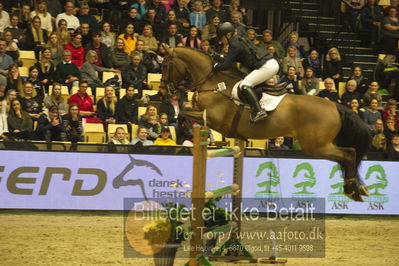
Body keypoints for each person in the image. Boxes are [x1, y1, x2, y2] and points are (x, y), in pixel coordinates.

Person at [213, 22, 281, 123]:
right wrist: (218, 57)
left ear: (228, 35)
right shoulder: (239, 39)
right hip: (270, 63)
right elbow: (229, 60)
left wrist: (214, 66)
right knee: (250, 84)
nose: (220, 41)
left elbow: (226, 65)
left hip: (266, 66)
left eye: (221, 38)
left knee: (244, 85)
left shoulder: (234, 44)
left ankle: (258, 110)